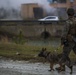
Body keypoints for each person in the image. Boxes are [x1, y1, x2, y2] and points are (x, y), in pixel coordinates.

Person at [57, 8, 76, 74]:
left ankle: (62, 67)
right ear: (74, 13)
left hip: (69, 41)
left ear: (68, 14)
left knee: (64, 54)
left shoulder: (68, 22)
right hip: (75, 40)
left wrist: (63, 41)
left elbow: (64, 33)